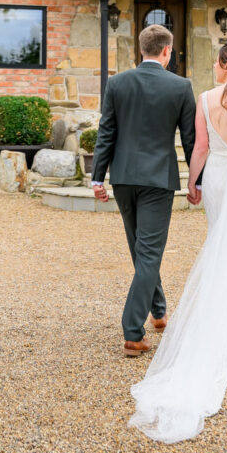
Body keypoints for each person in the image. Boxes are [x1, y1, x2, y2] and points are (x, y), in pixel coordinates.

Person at [129, 42, 227, 443]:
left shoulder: (205, 98)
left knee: (221, 245)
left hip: (218, 178)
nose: (214, 68)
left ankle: (226, 326)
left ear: (225, 65)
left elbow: (200, 148)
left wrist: (193, 183)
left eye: (216, 63)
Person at [91, 23, 197, 357]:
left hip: (123, 178)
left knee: (141, 250)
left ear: (141, 49)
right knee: (149, 253)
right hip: (158, 180)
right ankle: (132, 332)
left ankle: (159, 311)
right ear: (167, 51)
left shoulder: (116, 82)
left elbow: (106, 132)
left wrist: (97, 178)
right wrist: (197, 181)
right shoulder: (181, 86)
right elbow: (190, 140)